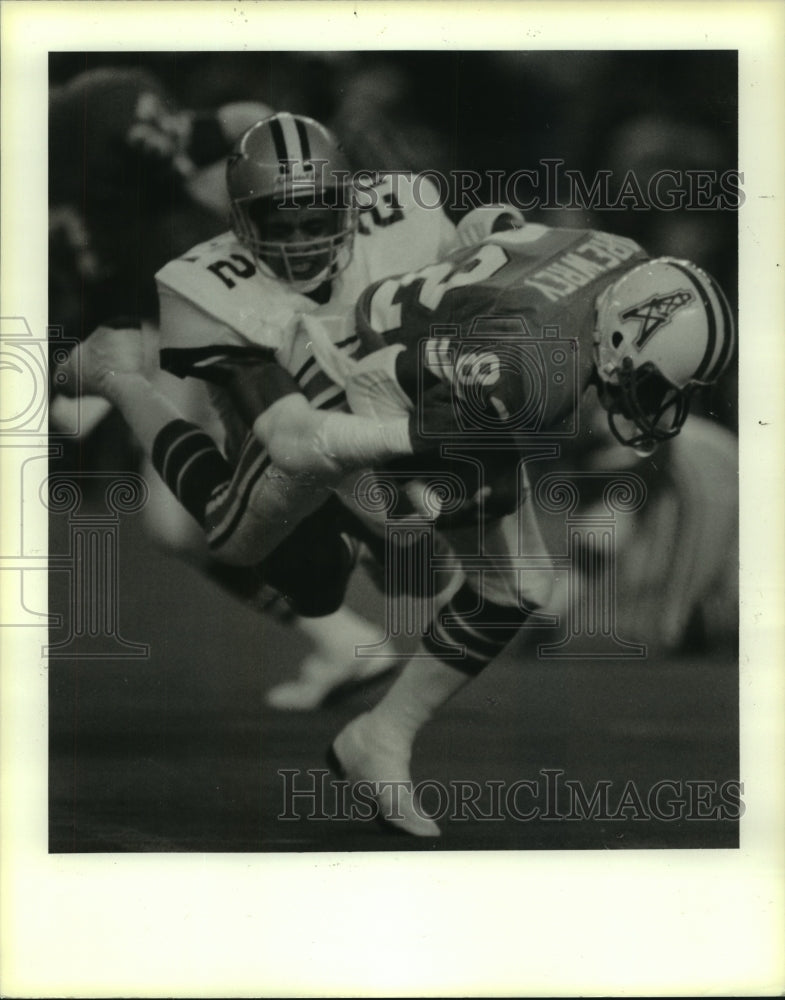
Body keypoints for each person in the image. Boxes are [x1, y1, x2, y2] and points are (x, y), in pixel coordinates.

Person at [56, 219, 735, 836]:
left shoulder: (623, 260)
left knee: (516, 580)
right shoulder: (525, 371)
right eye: (655, 387)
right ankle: (118, 379)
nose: (660, 407)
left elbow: (490, 224)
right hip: (339, 376)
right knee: (243, 539)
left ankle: (380, 736)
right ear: (617, 336)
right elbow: (392, 394)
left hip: (434, 367)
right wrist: (387, 493)